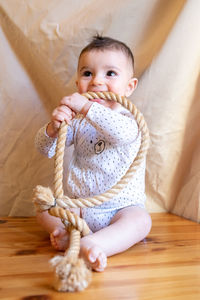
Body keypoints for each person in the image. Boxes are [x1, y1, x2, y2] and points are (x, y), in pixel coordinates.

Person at [35, 35, 152, 272]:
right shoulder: (77, 123)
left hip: (120, 209)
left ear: (129, 87)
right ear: (78, 83)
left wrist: (86, 107)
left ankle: (95, 243)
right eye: (87, 73)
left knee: (141, 221)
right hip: (80, 208)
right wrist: (53, 128)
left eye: (110, 73)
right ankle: (66, 233)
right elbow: (45, 150)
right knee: (44, 208)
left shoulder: (131, 122)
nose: (97, 81)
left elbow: (118, 133)